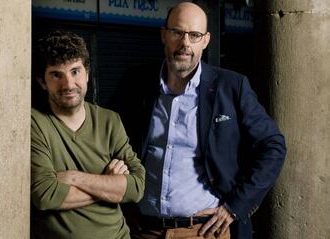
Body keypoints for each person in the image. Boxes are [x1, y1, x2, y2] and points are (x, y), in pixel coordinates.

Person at [110, 2, 286, 239]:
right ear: (164, 34)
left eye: (194, 35)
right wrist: (114, 166)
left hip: (204, 231)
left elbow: (273, 146)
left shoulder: (232, 87)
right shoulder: (135, 82)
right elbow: (108, 137)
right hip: (141, 229)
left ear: (205, 40)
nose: (185, 43)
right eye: (177, 33)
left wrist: (236, 207)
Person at [30, 30, 145, 239]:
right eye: (56, 74)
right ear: (42, 82)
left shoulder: (110, 120)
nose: (68, 84)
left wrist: (74, 178)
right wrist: (109, 186)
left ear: (87, 74)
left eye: (75, 71)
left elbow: (136, 186)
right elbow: (46, 195)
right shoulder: (34, 123)